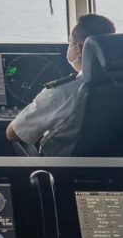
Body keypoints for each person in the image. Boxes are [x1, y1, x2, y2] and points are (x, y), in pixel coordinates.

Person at [6, 13, 116, 155]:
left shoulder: (61, 93)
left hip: (63, 172)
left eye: (70, 43)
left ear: (79, 49)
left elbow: (13, 133)